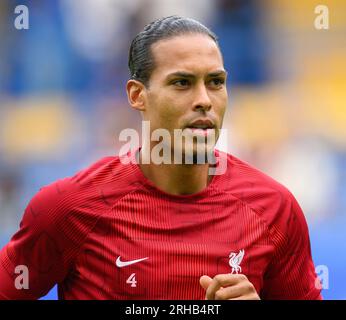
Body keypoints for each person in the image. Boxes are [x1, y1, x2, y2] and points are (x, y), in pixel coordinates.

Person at [0, 16, 321, 300]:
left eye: (216, 83)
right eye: (182, 83)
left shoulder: (274, 209)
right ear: (137, 95)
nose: (204, 100)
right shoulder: (69, 208)